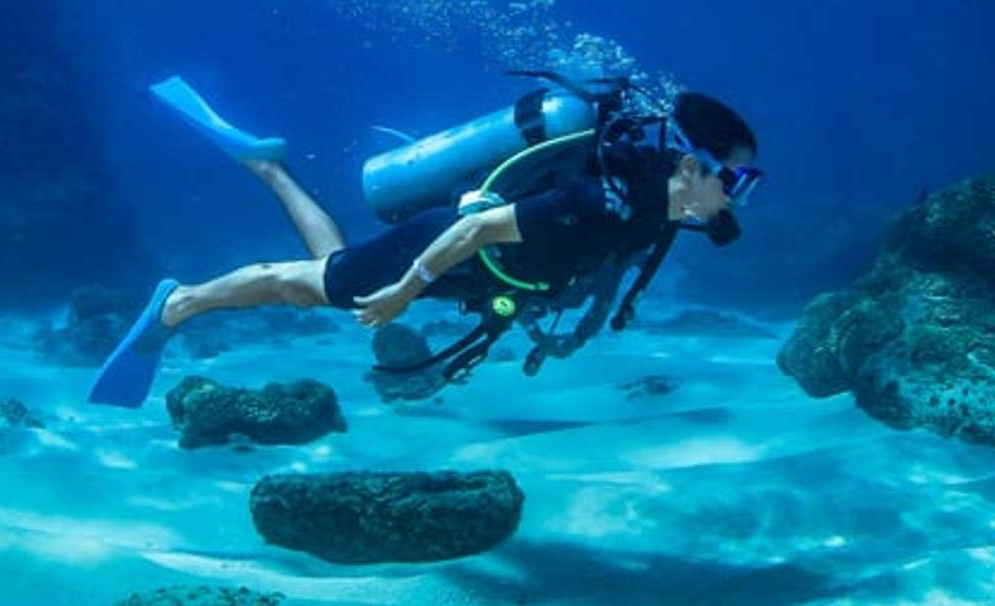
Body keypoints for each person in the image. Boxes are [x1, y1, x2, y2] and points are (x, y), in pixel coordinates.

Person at [86, 77, 760, 407]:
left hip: (483, 272)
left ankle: (267, 165)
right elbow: (477, 227)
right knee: (306, 284)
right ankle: (179, 302)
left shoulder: (652, 209)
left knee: (325, 271)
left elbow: (601, 270)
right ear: (691, 166)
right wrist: (402, 293)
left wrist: (561, 337)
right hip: (448, 243)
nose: (740, 193)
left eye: (747, 181)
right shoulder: (599, 198)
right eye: (736, 176)